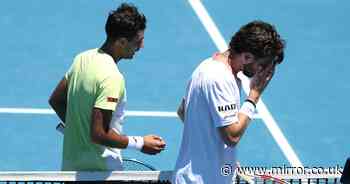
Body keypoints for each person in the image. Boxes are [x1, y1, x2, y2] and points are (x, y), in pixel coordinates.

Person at [48, 3, 166, 171]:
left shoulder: (82, 59)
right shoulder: (112, 77)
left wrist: (78, 129)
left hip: (70, 171)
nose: (141, 46)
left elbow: (57, 100)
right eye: (138, 41)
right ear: (122, 42)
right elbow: (99, 134)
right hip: (101, 174)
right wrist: (140, 143)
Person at [173, 21, 285, 184]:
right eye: (262, 65)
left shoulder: (207, 66)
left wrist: (221, 156)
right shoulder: (220, 78)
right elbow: (232, 136)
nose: (261, 72)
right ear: (246, 57)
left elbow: (183, 110)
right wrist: (254, 95)